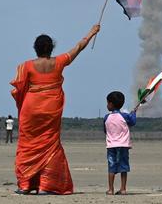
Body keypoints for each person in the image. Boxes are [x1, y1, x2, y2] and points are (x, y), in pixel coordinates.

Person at [10, 24, 100, 195]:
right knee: (50, 144)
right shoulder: (59, 61)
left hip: (31, 108)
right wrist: (91, 33)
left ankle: (26, 184)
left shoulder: (26, 66)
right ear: (51, 48)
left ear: (35, 48)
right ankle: (46, 185)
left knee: (27, 144)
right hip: (51, 108)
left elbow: (19, 88)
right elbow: (78, 48)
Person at [104, 91, 136, 195]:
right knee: (123, 167)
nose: (107, 105)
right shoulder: (125, 116)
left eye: (108, 103)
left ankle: (110, 189)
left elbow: (105, 130)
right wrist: (134, 113)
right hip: (123, 145)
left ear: (111, 104)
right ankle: (123, 188)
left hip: (111, 145)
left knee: (111, 167)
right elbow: (133, 122)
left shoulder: (106, 117)